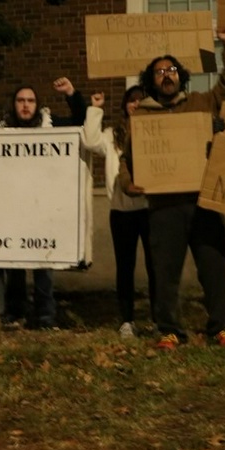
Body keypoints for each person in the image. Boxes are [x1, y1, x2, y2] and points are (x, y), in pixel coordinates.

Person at [117, 25, 225, 351]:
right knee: (165, 272)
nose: (166, 75)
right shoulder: (142, 116)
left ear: (181, 76)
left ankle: (220, 327)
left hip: (204, 202)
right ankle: (169, 330)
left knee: (213, 268)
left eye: (171, 70)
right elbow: (127, 159)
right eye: (159, 72)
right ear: (151, 80)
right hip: (164, 207)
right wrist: (128, 183)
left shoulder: (202, 102)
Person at [0, 77, 87, 329]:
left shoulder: (50, 125)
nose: (25, 105)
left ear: (37, 105)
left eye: (30, 100)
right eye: (21, 100)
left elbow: (80, 120)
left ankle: (45, 315)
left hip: (42, 205)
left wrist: (71, 93)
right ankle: (16, 311)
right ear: (14, 104)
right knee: (14, 262)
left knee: (43, 262)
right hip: (13, 205)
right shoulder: (1, 130)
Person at [82, 86, 152, 338]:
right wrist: (95, 109)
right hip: (121, 210)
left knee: (156, 266)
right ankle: (127, 319)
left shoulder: (156, 132)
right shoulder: (113, 135)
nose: (135, 104)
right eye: (131, 101)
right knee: (125, 266)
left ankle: (160, 316)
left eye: (140, 100)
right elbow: (90, 141)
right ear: (124, 105)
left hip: (150, 208)